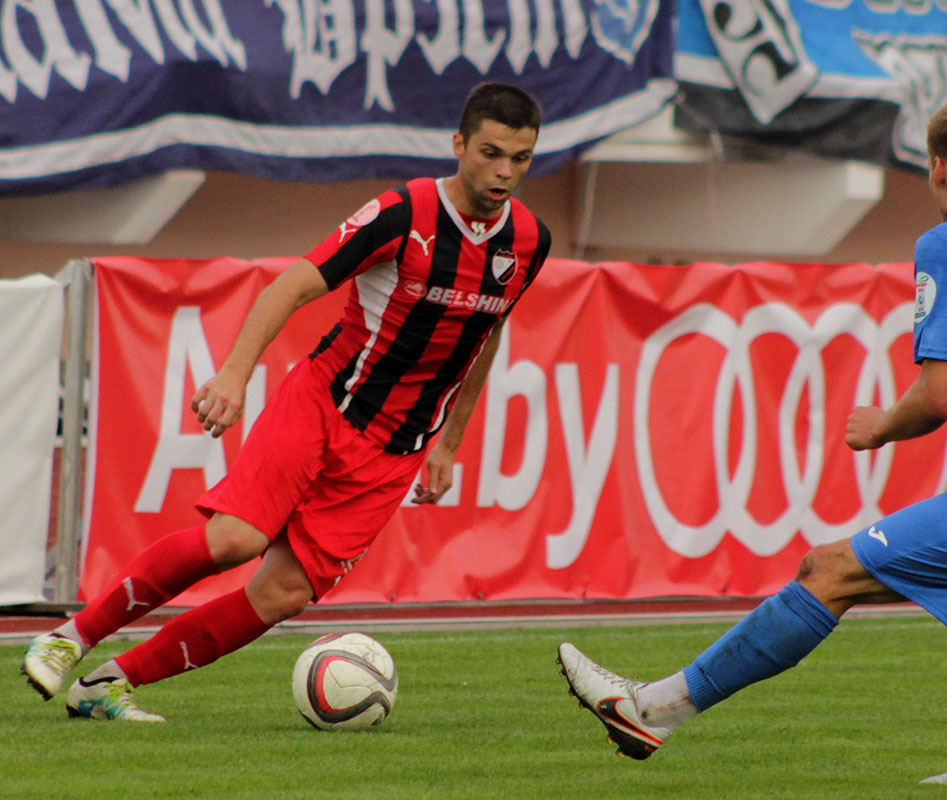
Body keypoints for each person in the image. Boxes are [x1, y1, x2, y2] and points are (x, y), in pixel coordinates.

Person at [556, 98, 947, 788]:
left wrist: (880, 426)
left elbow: (938, 398)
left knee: (828, 569)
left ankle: (653, 710)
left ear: (937, 168)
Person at [23, 82, 551, 722]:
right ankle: (69, 637)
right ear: (459, 144)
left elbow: (488, 334)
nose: (504, 172)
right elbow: (292, 285)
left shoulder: (530, 240)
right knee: (235, 540)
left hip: (396, 451)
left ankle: (108, 685)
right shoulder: (401, 213)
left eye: (520, 158)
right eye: (491, 153)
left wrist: (450, 443)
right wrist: (234, 376)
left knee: (283, 593)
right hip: (325, 401)